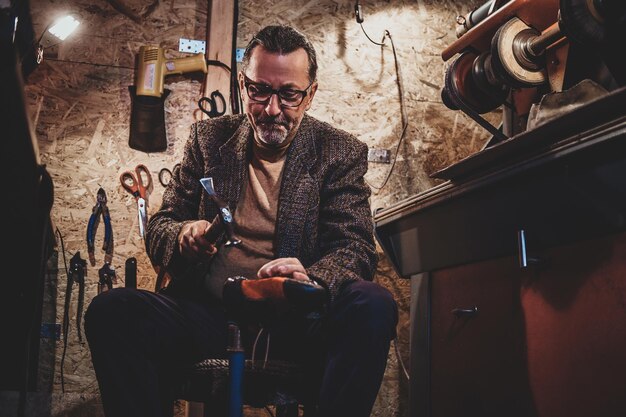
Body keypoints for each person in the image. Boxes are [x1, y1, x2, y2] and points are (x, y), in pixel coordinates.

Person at [85, 24, 398, 417]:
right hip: (212, 317)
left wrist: (311, 280)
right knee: (112, 311)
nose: (271, 109)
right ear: (243, 84)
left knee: (372, 303)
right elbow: (163, 224)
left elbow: (353, 247)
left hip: (297, 323)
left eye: (288, 95)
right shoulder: (208, 139)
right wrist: (182, 235)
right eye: (259, 91)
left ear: (311, 93)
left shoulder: (338, 151)